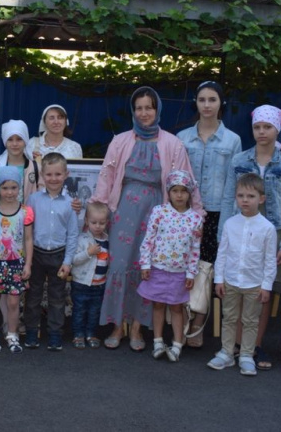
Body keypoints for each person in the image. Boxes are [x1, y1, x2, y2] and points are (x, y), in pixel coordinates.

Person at [90, 86, 201, 352]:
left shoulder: (173, 144)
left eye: (149, 107)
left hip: (159, 213)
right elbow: (106, 177)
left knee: (147, 269)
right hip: (123, 210)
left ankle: (138, 327)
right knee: (118, 266)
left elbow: (186, 181)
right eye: (139, 108)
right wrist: (98, 209)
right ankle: (118, 326)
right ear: (133, 111)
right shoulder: (120, 141)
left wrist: (195, 214)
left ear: (157, 109)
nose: (144, 113)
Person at [218, 105, 281, 370]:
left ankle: (255, 347)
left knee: (262, 291)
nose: (262, 132)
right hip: (240, 232)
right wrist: (222, 235)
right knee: (237, 286)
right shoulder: (240, 160)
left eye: (267, 127)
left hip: (272, 234)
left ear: (278, 130)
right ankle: (234, 347)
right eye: (257, 127)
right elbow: (228, 196)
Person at [176, 81, 242, 347]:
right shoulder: (182, 138)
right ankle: (180, 319)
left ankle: (197, 323)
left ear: (220, 103)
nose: (206, 105)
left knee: (205, 269)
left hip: (217, 212)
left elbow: (234, 182)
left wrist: (228, 218)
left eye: (212, 99)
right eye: (202, 99)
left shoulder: (232, 140)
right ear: (196, 103)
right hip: (184, 212)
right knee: (181, 266)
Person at [208, 174, 277, 376]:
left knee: (250, 320)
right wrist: (219, 279)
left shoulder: (267, 228)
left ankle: (246, 354)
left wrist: (266, 286)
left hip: (254, 284)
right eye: (240, 195)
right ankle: (227, 352)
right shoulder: (230, 223)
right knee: (228, 317)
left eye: (250, 196)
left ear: (261, 199)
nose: (245, 200)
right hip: (230, 281)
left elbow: (270, 260)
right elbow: (222, 253)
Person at [137, 170, 203, 362]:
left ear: (190, 193)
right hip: (157, 268)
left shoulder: (195, 218)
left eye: (184, 190)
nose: (179, 195)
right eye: (175, 190)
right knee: (157, 305)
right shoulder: (159, 212)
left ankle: (177, 343)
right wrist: (145, 264)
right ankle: (158, 341)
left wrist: (191, 274)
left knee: (176, 308)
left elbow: (195, 249)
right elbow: (148, 239)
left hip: (179, 273)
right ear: (169, 192)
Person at [23, 153, 79, 351]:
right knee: (33, 296)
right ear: (42, 176)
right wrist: (26, 259)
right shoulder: (33, 200)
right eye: (49, 174)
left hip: (58, 255)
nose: (53, 178)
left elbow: (73, 235)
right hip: (36, 254)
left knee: (57, 298)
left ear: (66, 175)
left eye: (58, 174)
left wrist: (68, 262)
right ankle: (31, 332)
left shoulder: (70, 203)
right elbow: (26, 231)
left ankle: (55, 335)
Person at [0, 166, 33, 353]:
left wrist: (28, 263)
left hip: (16, 264)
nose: (9, 192)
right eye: (5, 188)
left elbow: (28, 239)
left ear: (19, 188)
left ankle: (12, 333)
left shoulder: (25, 212)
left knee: (13, 301)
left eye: (13, 187)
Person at [69, 202, 110, 350]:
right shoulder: (82, 239)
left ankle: (91, 334)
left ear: (107, 222)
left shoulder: (107, 240)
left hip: (99, 284)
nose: (97, 226)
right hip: (81, 283)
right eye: (93, 222)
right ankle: (78, 334)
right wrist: (88, 253)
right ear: (86, 221)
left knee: (94, 312)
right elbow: (74, 260)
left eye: (101, 223)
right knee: (79, 310)